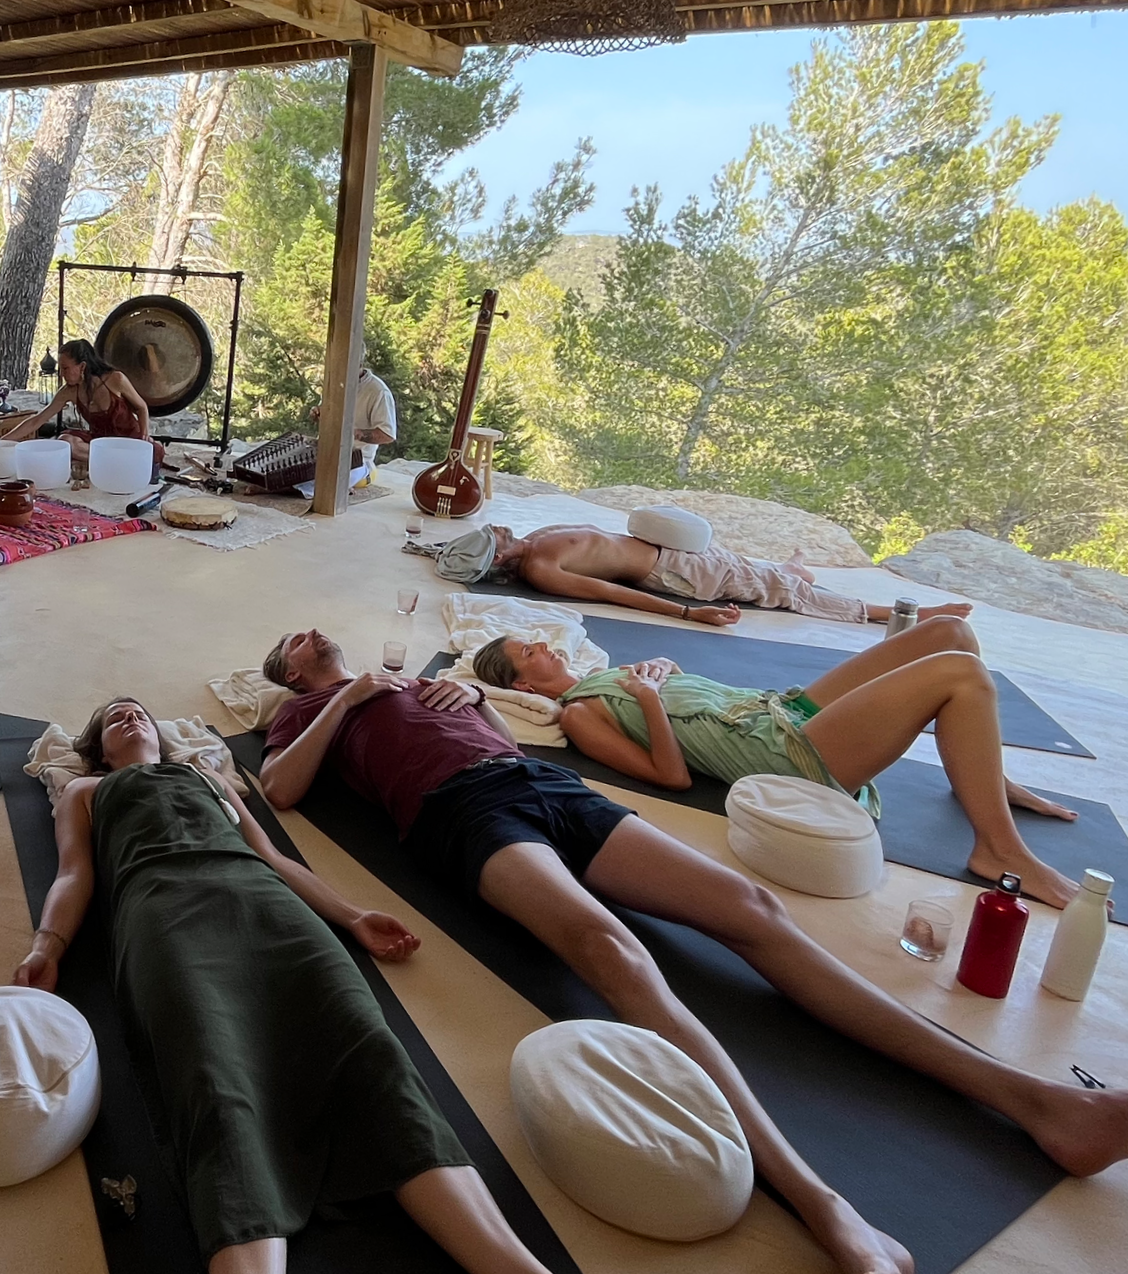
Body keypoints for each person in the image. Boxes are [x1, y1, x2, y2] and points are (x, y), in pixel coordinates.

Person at [255, 629, 1128, 1274]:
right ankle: (824, 1204)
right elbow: (279, 789)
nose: (312, 638)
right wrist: (350, 697)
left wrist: (475, 697)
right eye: (296, 644)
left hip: (544, 784)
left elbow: (531, 709)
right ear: (292, 674)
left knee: (752, 907)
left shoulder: (417, 678)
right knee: (613, 949)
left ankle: (1042, 1104)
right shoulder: (305, 710)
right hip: (459, 815)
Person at [15, 695, 554, 1274]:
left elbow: (270, 856)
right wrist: (49, 944)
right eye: (114, 716)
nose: (131, 716)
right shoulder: (87, 792)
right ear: (96, 749)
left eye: (138, 710)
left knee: (368, 1049)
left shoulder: (206, 776)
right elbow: (74, 874)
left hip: (265, 903)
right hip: (163, 912)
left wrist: (351, 915)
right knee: (213, 1076)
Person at [473, 616, 1081, 905]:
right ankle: (998, 849)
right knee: (961, 675)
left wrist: (665, 670)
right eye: (531, 651)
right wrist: (651, 700)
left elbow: (695, 702)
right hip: (783, 751)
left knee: (947, 633)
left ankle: (985, 775)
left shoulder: (608, 676)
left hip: (779, 710)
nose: (547, 646)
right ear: (524, 687)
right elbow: (671, 775)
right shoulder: (580, 714)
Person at [433, 521, 973, 627]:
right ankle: (896, 614)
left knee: (750, 567)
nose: (500, 532)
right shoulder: (543, 566)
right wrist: (690, 612)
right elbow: (612, 595)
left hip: (678, 555)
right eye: (494, 541)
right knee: (785, 594)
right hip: (679, 580)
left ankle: (783, 569)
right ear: (499, 560)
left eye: (495, 531)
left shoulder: (541, 534)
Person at [0, 337, 151, 457]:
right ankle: (113, 460)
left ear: (82, 367)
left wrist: (144, 438)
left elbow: (141, 407)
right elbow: (37, 420)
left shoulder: (115, 379)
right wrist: (1, 443)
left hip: (128, 443)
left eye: (65, 368)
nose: (61, 374)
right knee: (65, 442)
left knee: (150, 454)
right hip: (98, 444)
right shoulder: (69, 391)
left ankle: (116, 459)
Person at [308, 361, 397, 486]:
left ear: (359, 363)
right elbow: (325, 411)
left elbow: (387, 435)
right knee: (291, 471)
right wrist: (318, 412)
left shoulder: (378, 391)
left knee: (326, 483)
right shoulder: (334, 382)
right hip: (325, 453)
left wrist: (354, 433)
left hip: (358, 463)